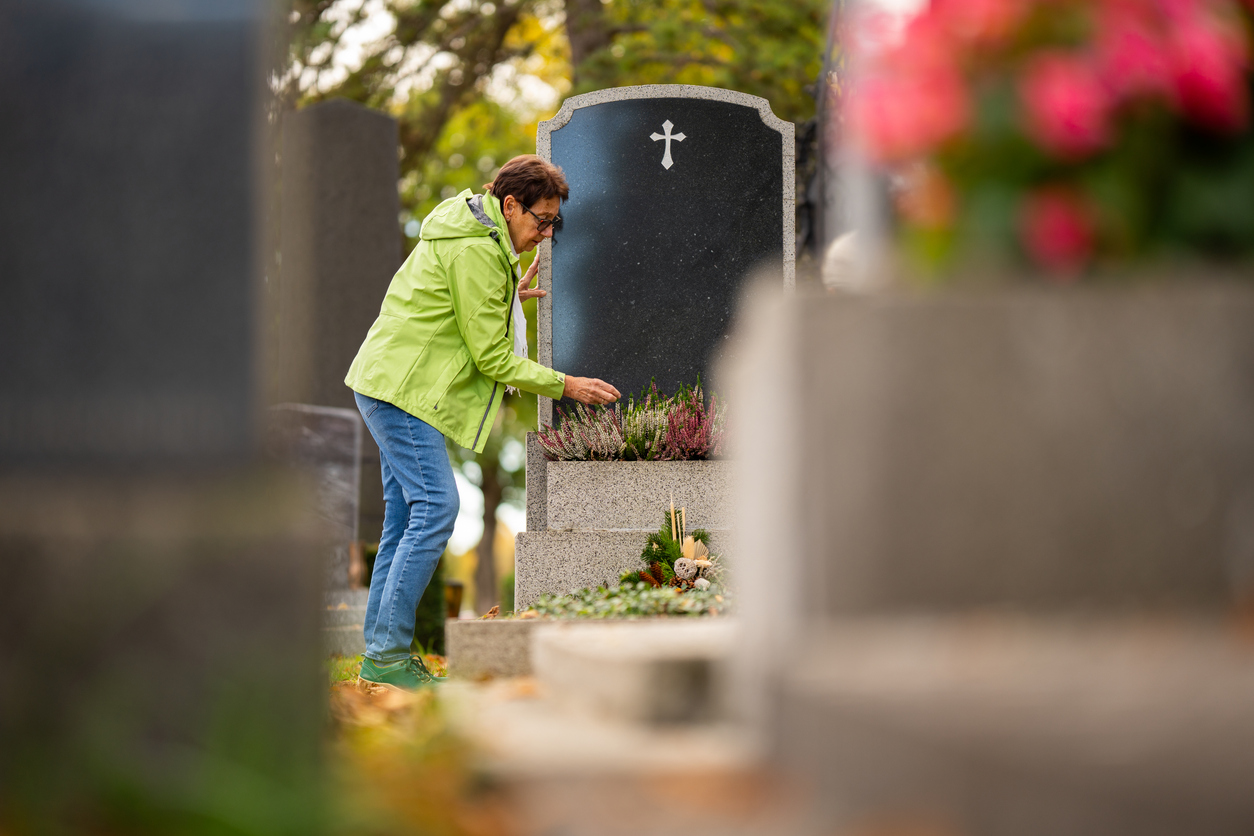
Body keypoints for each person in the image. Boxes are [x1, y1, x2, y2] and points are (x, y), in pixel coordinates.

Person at [345, 155, 620, 690]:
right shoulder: (477, 249)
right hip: (402, 390)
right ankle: (386, 656)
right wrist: (568, 385)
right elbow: (491, 358)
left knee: (403, 520)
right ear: (509, 205)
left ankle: (380, 656)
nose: (544, 234)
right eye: (540, 220)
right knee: (437, 507)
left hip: (392, 383)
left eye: (553, 225)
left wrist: (503, 298)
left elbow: (451, 307)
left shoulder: (474, 235)